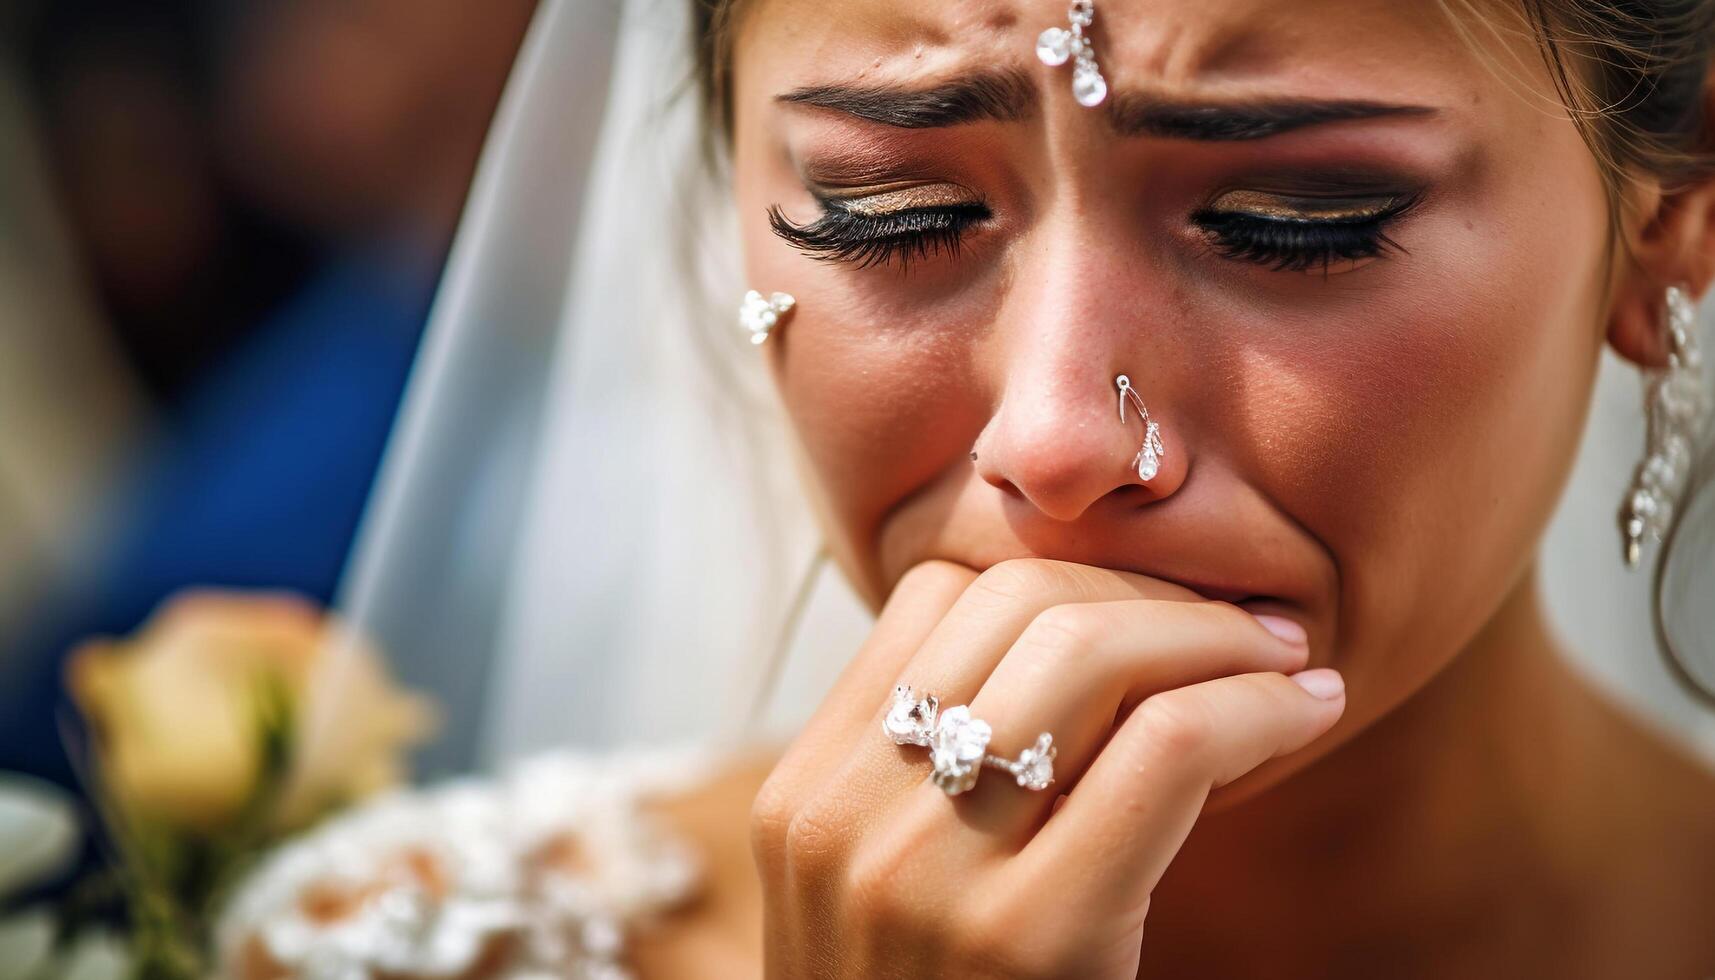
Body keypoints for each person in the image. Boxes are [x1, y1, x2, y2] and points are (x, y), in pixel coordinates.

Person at [217, 0, 1715, 976]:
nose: (1060, 436)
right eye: (894, 215)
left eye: (1288, 223)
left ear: (1669, 219)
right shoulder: (414, 945)